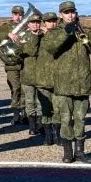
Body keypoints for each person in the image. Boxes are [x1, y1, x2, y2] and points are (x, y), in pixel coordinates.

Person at [41, 1, 91, 164]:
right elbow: (50, 47)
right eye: (66, 12)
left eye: (72, 12)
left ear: (76, 13)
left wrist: (83, 33)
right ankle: (68, 152)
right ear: (61, 14)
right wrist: (66, 32)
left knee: (80, 119)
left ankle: (80, 152)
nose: (70, 15)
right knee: (65, 119)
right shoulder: (55, 32)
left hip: (82, 83)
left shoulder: (85, 30)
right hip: (63, 85)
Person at [0, 5, 27, 125]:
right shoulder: (6, 26)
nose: (18, 16)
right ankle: (16, 113)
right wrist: (8, 34)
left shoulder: (27, 26)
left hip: (26, 62)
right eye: (15, 14)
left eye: (20, 14)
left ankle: (25, 113)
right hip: (12, 64)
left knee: (25, 89)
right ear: (12, 15)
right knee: (15, 88)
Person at [32, 12, 60, 146]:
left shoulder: (60, 35)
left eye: (54, 21)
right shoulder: (39, 36)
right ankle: (48, 136)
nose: (52, 24)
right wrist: (35, 35)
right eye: (49, 21)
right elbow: (30, 51)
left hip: (57, 79)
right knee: (45, 110)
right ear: (44, 23)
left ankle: (58, 135)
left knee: (58, 110)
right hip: (42, 79)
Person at [18, 14, 44, 137]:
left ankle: (40, 125)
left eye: (37, 22)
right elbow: (30, 51)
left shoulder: (44, 36)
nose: (35, 24)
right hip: (27, 74)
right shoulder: (23, 37)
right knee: (29, 101)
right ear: (28, 24)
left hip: (41, 74)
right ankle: (32, 126)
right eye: (32, 22)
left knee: (40, 102)